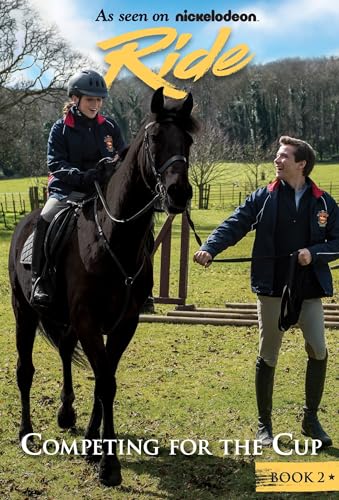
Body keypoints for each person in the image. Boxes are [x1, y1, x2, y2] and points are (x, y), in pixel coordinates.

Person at [194, 136, 339, 448]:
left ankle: (311, 420)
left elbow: (337, 241)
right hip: (272, 287)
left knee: (318, 348)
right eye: (277, 155)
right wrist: (210, 248)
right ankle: (264, 425)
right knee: (268, 353)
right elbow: (235, 223)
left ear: (302, 164)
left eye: (284, 156)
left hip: (309, 287)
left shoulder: (325, 202)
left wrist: (314, 253)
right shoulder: (263, 197)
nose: (277, 160)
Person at [31, 69, 127, 307]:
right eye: (90, 99)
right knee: (46, 217)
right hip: (67, 190)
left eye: (99, 99)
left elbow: (122, 156)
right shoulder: (60, 128)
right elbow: (55, 163)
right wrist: (82, 176)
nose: (95, 105)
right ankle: (40, 279)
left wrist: (112, 170)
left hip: (101, 191)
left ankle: (140, 285)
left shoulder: (110, 127)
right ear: (75, 99)